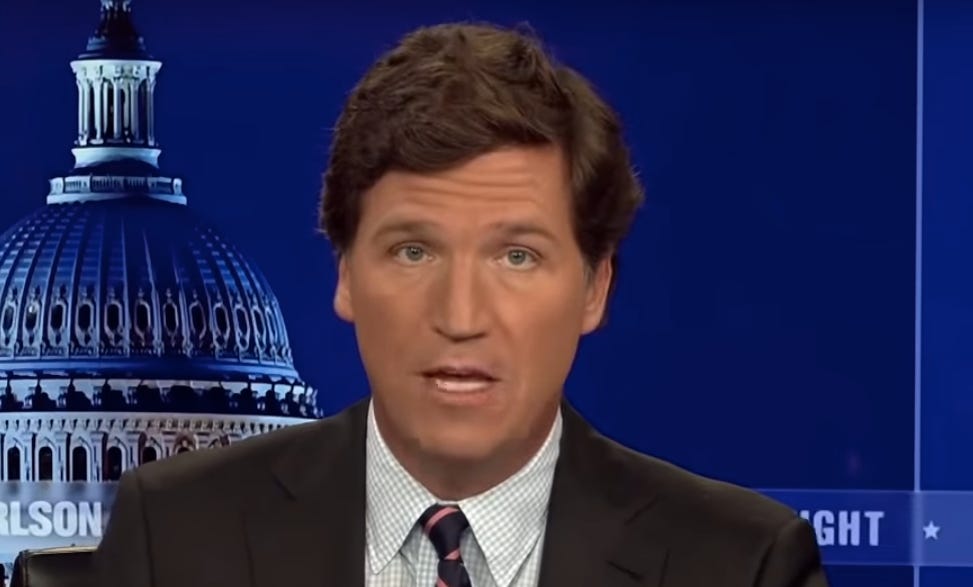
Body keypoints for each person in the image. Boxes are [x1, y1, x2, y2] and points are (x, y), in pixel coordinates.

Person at [93, 21, 828, 587]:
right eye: (414, 251)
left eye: (517, 256)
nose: (461, 315)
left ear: (594, 288)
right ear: (345, 275)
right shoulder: (175, 535)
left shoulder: (741, 564)